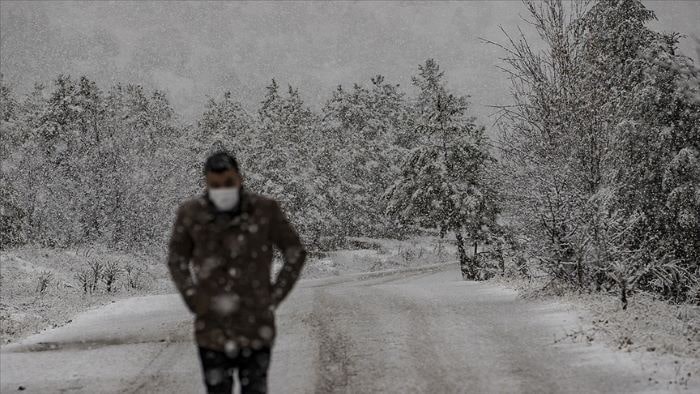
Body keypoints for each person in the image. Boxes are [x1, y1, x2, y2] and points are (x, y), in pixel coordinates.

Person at [167, 151, 307, 394]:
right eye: (215, 185)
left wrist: (273, 296)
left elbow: (295, 252)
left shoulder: (264, 211)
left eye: (228, 182)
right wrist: (193, 298)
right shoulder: (191, 214)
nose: (223, 189)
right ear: (206, 183)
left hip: (256, 328)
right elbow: (176, 259)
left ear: (240, 179)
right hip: (211, 328)